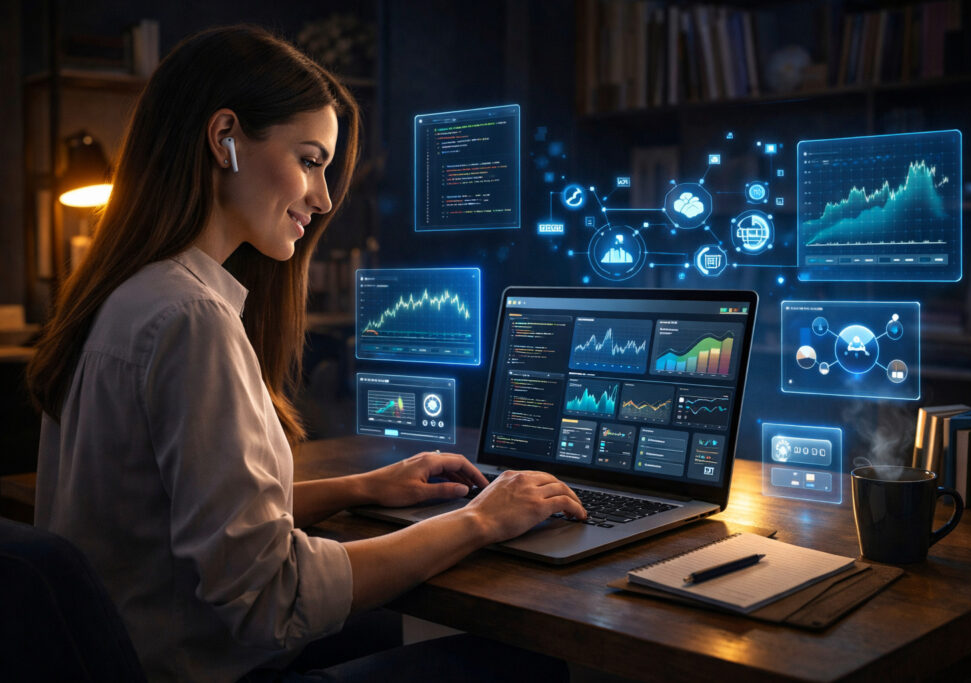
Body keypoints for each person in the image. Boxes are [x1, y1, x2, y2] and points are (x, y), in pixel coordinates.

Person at [26, 25, 585, 683]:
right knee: (520, 660)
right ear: (224, 137)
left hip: (134, 655)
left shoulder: (123, 295)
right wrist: (479, 520)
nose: (322, 200)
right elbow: (271, 597)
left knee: (388, 624)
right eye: (311, 159)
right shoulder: (192, 316)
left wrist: (363, 486)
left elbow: (188, 515)